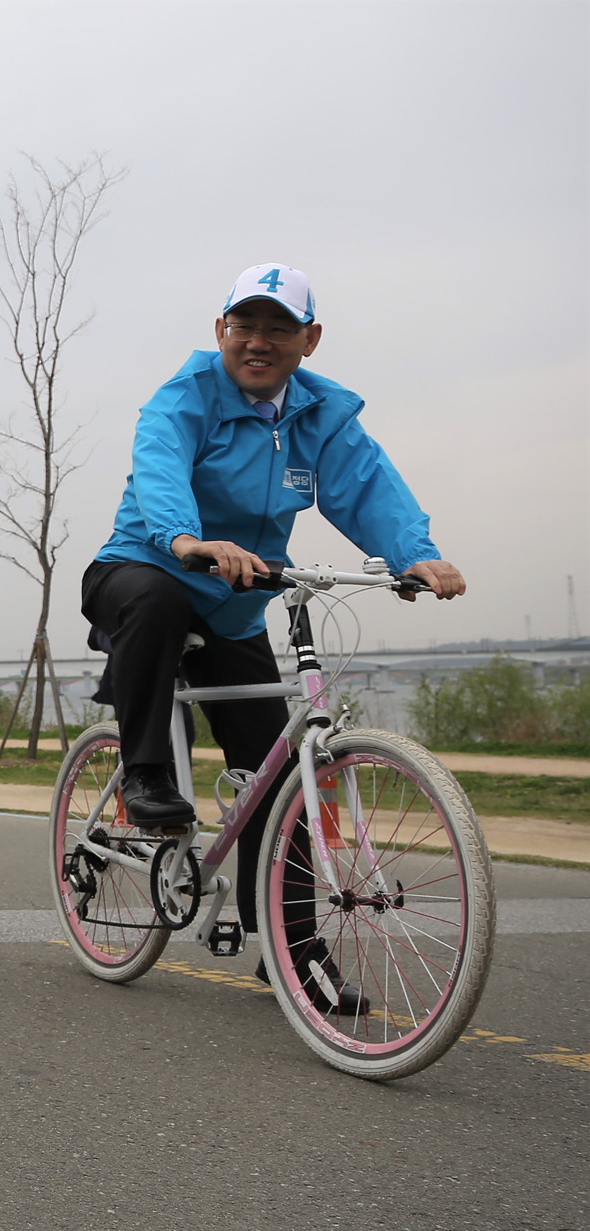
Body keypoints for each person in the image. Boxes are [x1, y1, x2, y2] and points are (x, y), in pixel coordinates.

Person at [84, 262, 465, 1010]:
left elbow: (364, 483)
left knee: (273, 773)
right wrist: (189, 539)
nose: (258, 341)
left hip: (236, 599)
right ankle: (146, 774)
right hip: (142, 567)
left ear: (309, 339)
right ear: (220, 330)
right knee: (160, 598)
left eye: (278, 328)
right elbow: (159, 470)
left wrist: (412, 552)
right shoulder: (183, 398)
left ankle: (290, 950)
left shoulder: (321, 414)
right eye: (244, 325)